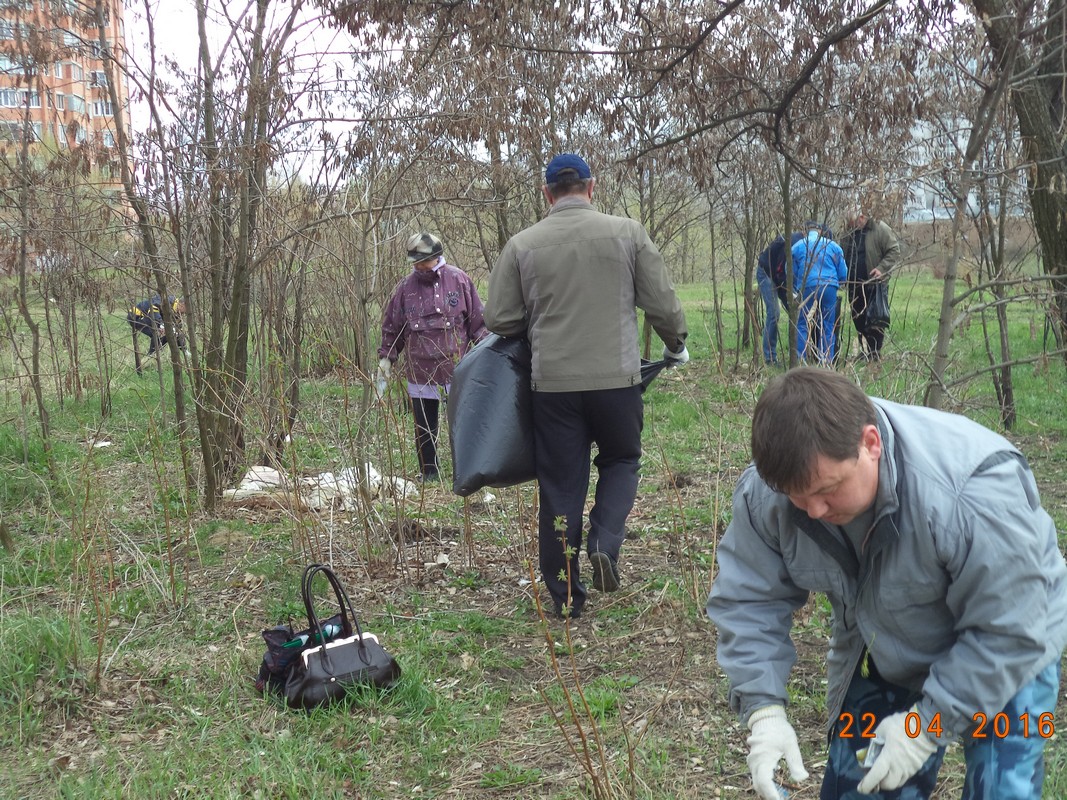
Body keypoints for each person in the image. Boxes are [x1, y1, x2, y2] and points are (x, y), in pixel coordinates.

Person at [706, 367, 1067, 800]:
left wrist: (925, 728)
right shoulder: (772, 493)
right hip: (891, 644)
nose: (814, 511)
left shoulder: (969, 495)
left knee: (1002, 790)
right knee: (860, 789)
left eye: (828, 490)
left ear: (870, 444)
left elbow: (1010, 629)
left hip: (1011, 656)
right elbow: (748, 601)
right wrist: (763, 711)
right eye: (798, 498)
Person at [483, 153, 689, 619]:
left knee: (560, 484)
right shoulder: (628, 233)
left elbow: (499, 318)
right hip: (617, 381)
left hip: (552, 387)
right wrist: (675, 344)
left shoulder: (522, 245)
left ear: (546, 192)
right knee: (622, 458)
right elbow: (661, 303)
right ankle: (604, 541)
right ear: (591, 188)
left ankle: (566, 597)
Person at [376, 232, 487, 482]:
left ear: (436, 257)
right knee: (424, 428)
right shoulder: (405, 288)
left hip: (456, 369)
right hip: (420, 372)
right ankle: (429, 471)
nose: (418, 266)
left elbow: (478, 324)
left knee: (462, 424)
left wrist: (488, 355)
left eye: (422, 261)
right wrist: (387, 359)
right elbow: (393, 328)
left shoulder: (459, 280)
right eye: (414, 261)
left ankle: (466, 471)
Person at [843, 211, 902, 361]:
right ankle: (865, 351)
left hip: (874, 284)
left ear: (861, 217)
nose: (852, 227)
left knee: (875, 319)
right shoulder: (849, 232)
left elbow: (894, 250)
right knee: (858, 318)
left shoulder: (880, 228)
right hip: (854, 284)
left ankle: (875, 353)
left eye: (854, 223)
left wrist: (881, 269)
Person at [791, 221, 847, 364]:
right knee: (828, 324)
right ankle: (826, 360)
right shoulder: (832, 246)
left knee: (803, 323)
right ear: (820, 231)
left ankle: (800, 359)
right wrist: (841, 281)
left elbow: (789, 270)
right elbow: (842, 270)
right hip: (829, 286)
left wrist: (797, 284)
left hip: (807, 287)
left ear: (805, 231)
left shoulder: (797, 246)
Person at [755, 232, 803, 365]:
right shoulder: (793, 244)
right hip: (766, 273)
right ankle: (770, 357)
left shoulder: (804, 246)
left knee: (795, 312)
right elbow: (780, 272)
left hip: (778, 276)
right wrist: (788, 295)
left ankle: (797, 355)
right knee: (774, 313)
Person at [127, 294, 187, 374]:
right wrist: (161, 324)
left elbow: (178, 331)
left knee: (168, 334)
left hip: (149, 318)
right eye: (185, 310)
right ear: (182, 304)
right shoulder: (167, 300)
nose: (184, 313)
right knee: (160, 333)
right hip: (136, 316)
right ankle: (150, 358)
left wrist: (184, 349)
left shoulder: (177, 313)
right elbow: (153, 309)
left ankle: (152, 357)